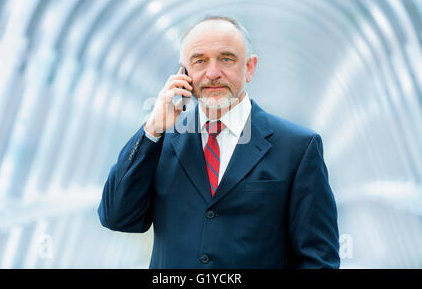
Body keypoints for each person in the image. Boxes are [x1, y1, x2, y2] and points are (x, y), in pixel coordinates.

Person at [98, 15, 340, 269]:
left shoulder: (298, 147)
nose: (213, 73)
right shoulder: (161, 141)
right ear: (183, 72)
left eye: (226, 59)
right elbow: (117, 216)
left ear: (249, 67)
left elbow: (318, 259)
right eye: (199, 61)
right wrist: (153, 128)